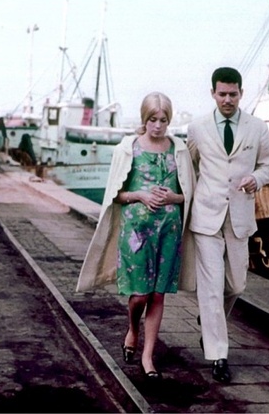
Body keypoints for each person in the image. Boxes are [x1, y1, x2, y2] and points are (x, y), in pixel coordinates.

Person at [76, 92, 195, 380]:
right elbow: (115, 195)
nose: (158, 126)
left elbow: (189, 193)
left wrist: (174, 198)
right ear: (144, 119)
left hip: (168, 230)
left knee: (158, 293)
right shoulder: (127, 148)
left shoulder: (179, 150)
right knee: (140, 295)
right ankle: (132, 329)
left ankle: (147, 356)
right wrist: (140, 195)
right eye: (153, 120)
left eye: (163, 120)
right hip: (136, 232)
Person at [186, 67, 269, 384]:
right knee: (210, 288)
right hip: (206, 217)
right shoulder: (197, 128)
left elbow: (266, 165)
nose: (227, 100)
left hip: (239, 216)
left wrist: (256, 179)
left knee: (236, 285)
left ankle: (211, 322)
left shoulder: (257, 127)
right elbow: (189, 167)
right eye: (222, 94)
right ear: (213, 93)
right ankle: (218, 355)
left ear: (241, 93)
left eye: (233, 94)